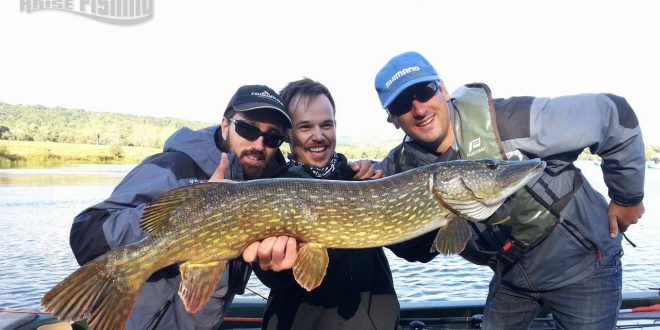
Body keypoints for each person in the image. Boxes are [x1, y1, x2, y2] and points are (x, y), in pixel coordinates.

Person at [373, 51, 645, 329]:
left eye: (424, 91)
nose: (419, 109)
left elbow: (613, 113)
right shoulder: (397, 168)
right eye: (402, 104)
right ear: (392, 118)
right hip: (513, 275)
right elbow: (421, 250)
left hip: (584, 266)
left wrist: (627, 197)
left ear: (442, 89)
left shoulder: (514, 122)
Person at [69, 84, 294, 330]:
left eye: (272, 138)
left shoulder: (267, 195)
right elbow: (86, 235)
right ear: (226, 125)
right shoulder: (175, 167)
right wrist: (192, 211)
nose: (259, 144)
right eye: (248, 129)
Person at [247, 78, 403, 330]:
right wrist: (276, 268)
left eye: (326, 125)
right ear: (288, 133)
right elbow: (270, 275)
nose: (318, 136)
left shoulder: (363, 180)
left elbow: (415, 246)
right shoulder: (272, 190)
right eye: (305, 126)